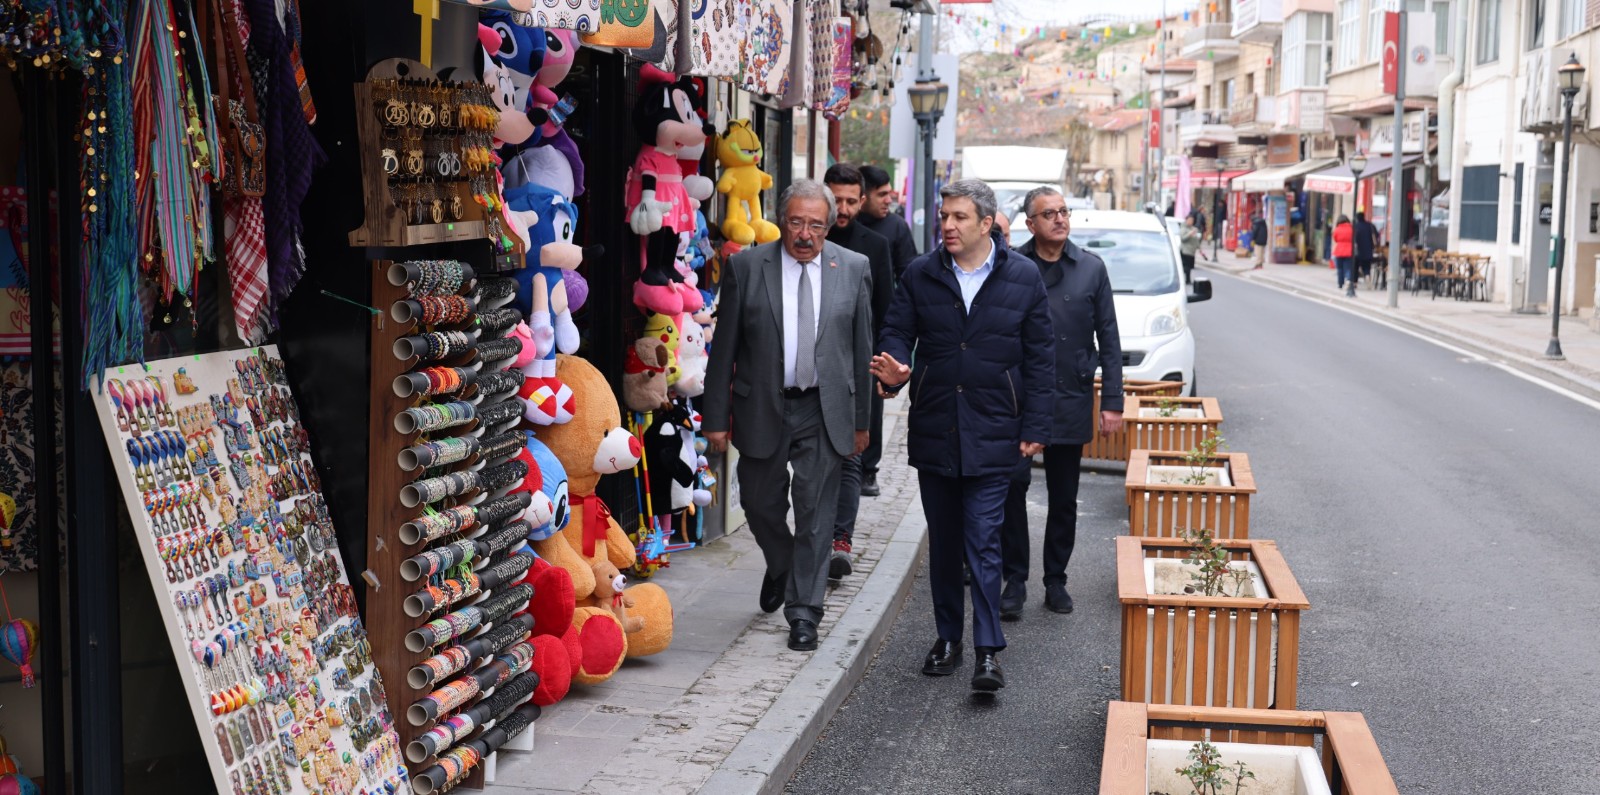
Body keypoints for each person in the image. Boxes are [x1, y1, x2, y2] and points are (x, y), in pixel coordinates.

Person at [870, 179, 1055, 692]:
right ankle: (948, 638)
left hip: (998, 430)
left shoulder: (1023, 277)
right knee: (946, 545)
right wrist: (894, 367)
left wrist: (1037, 424)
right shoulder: (921, 273)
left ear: (987, 223)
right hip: (935, 427)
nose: (948, 226)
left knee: (984, 542)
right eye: (944, 217)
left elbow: (1042, 358)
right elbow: (895, 331)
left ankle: (988, 652)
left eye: (959, 218)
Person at [702, 179, 874, 652]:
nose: (805, 234)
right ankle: (781, 563)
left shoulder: (854, 268)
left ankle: (804, 613)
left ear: (830, 225)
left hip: (825, 407)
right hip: (762, 404)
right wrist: (714, 417)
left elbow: (862, 350)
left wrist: (862, 423)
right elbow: (725, 350)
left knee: (817, 513)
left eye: (816, 225)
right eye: (797, 223)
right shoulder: (746, 267)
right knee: (759, 504)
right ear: (781, 220)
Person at [999, 186, 1123, 620]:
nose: (1059, 219)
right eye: (1048, 214)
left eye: (1063, 212)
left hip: (1069, 394)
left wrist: (1113, 402)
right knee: (1013, 486)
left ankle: (1056, 580)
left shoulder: (1091, 268)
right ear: (1030, 224)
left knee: (1064, 495)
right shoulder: (1012, 266)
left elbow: (1109, 338)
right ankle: (1014, 578)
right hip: (1019, 397)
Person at [821, 163, 894, 581]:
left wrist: (882, 371)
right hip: (808, 372)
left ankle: (840, 541)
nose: (844, 209)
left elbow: (886, 313)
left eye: (851, 200)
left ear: (862, 201)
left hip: (856, 372)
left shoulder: (875, 246)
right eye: (837, 199)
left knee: (850, 457)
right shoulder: (808, 237)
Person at [859, 165, 920, 280]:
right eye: (882, 195)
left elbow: (907, 276)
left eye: (889, 193)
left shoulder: (897, 226)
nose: (889, 200)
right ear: (863, 196)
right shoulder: (845, 223)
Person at [1332, 214, 1355, 297]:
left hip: (1339, 250)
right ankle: (1348, 280)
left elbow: (1335, 238)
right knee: (1348, 267)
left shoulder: (1337, 229)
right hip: (1349, 250)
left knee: (1340, 268)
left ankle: (1340, 284)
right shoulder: (1351, 228)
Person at [1354, 211, 1379, 282]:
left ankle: (1355, 282)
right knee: (1367, 266)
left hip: (1358, 251)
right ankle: (1367, 275)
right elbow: (1376, 236)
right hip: (1368, 251)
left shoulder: (1356, 226)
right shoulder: (1370, 225)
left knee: (1356, 267)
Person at [1180, 216, 1202, 285]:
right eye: (1189, 220)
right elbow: (1183, 238)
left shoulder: (1194, 229)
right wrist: (1190, 234)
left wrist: (1199, 248)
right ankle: (1185, 279)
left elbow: (1196, 240)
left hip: (1192, 251)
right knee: (1186, 267)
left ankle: (1188, 279)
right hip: (1185, 250)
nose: (1191, 222)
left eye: (1192, 220)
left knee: (1189, 267)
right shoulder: (1183, 228)